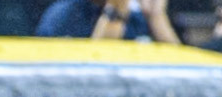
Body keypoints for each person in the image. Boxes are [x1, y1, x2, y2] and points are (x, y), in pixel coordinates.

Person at [35, 0, 179, 42]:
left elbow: (181, 79)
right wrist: (116, 12)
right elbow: (93, 82)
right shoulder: (62, 16)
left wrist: (157, 17)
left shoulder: (140, 14)